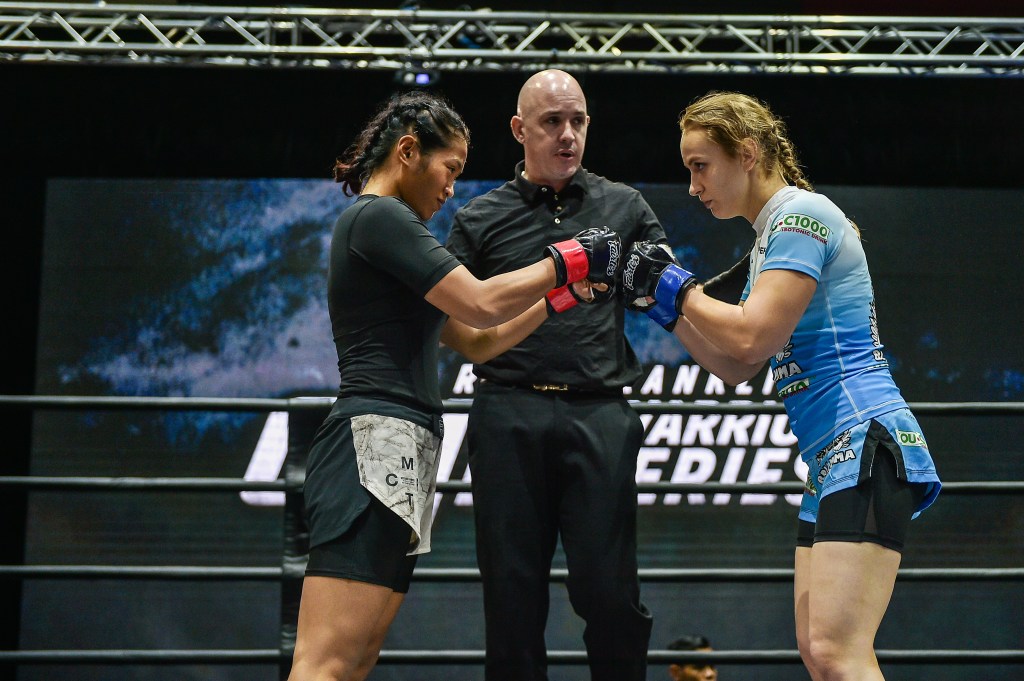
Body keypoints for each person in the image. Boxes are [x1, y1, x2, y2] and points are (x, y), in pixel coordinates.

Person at [287, 90, 618, 681]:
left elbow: (476, 338)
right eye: (450, 170)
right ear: (409, 151)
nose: (451, 189)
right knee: (326, 663)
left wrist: (561, 297)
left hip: (397, 443)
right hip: (373, 439)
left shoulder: (392, 229)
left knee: (354, 658)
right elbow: (483, 300)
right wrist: (570, 257)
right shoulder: (380, 217)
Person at [620, 91, 941, 681]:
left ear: (746, 153)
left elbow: (750, 338)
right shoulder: (772, 235)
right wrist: (659, 305)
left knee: (840, 654)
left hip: (863, 438)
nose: (692, 186)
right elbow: (734, 365)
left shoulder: (800, 217)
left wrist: (672, 286)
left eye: (700, 166)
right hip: (833, 459)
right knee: (821, 653)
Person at [445, 69, 666, 681]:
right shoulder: (480, 217)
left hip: (599, 413)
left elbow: (667, 290)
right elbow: (453, 321)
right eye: (552, 122)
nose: (568, 135)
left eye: (579, 122)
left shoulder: (625, 205)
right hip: (506, 413)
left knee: (610, 593)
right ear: (520, 130)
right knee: (511, 601)